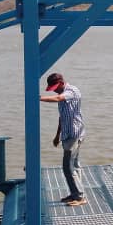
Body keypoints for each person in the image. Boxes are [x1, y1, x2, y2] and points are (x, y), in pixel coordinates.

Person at [41, 72, 87, 207]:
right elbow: (62, 117)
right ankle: (75, 193)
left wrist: (38, 98)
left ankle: (80, 196)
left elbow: (57, 98)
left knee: (67, 166)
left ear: (61, 83)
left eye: (55, 87)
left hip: (75, 134)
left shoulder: (72, 91)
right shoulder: (62, 94)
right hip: (67, 134)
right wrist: (57, 135)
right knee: (74, 165)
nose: (54, 90)